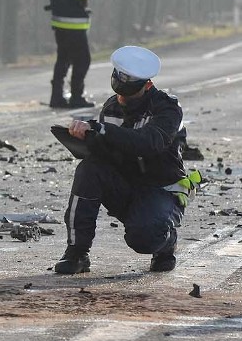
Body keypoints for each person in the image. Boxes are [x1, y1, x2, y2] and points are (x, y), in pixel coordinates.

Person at [53, 46, 200, 275]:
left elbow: (148, 142)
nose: (123, 98)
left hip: (160, 190)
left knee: (144, 238)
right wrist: (87, 138)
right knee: (88, 170)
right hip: (127, 187)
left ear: (147, 85)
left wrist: (102, 130)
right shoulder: (111, 107)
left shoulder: (167, 108)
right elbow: (109, 151)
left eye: (129, 87)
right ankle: (77, 253)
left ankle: (166, 240)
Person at [43, 0, 105, 108]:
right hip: (75, 25)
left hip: (59, 23)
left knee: (63, 59)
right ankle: (76, 97)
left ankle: (56, 97)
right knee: (83, 60)